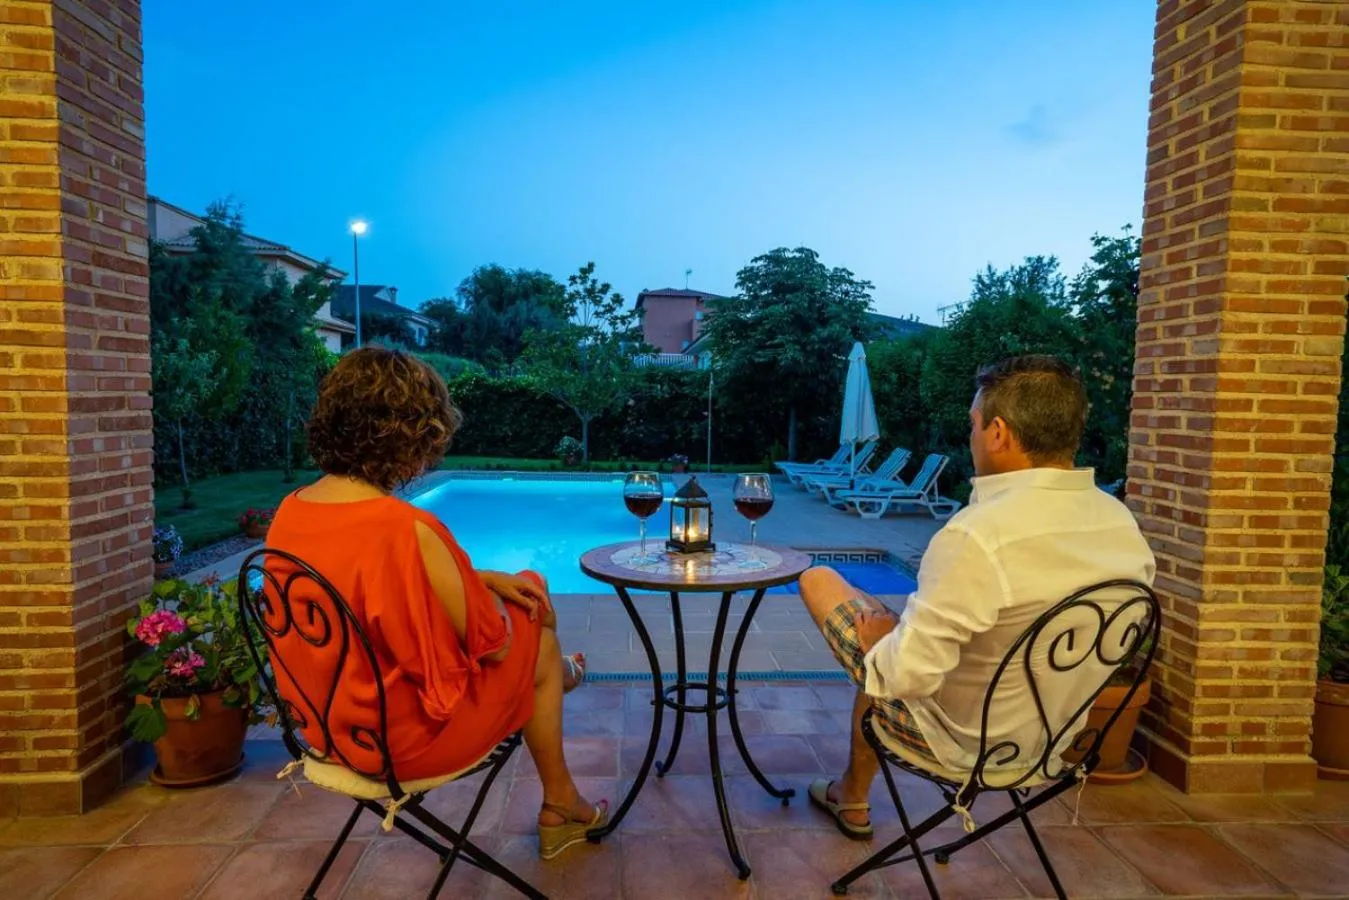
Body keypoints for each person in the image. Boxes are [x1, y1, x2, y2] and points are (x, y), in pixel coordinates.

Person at [265, 346, 606, 859]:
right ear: (412, 432)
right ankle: (561, 798)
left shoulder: (290, 513)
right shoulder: (405, 529)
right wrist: (527, 588)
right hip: (400, 742)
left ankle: (563, 692)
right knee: (536, 635)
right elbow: (491, 646)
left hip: (326, 729)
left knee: (529, 628)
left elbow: (361, 591)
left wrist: (478, 576)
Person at [801, 354, 1156, 838]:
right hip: (1055, 742)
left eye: (973, 424)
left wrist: (883, 645)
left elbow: (903, 678)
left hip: (963, 745)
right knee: (889, 629)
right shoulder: (1119, 522)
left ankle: (852, 796)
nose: (970, 437)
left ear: (998, 433)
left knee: (820, 582)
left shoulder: (979, 535)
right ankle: (852, 794)